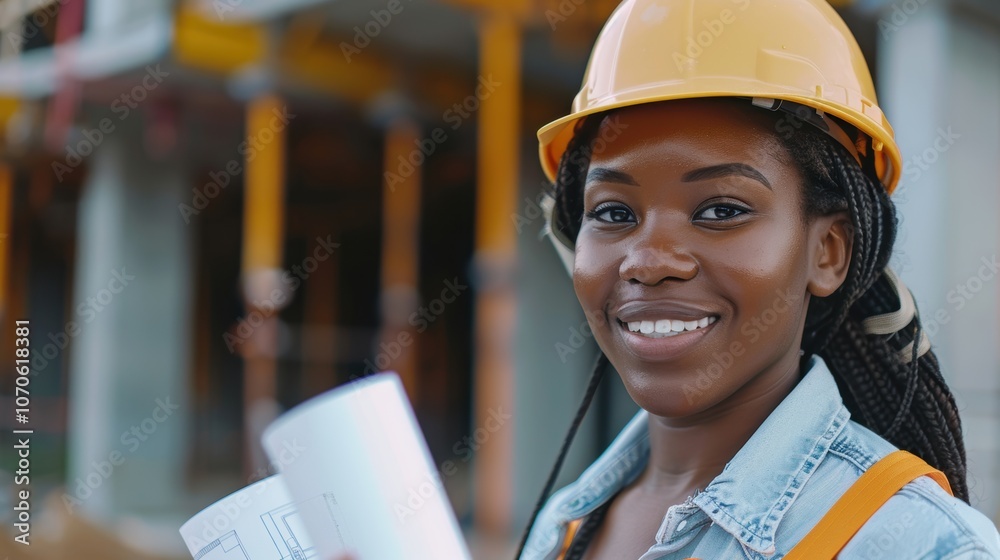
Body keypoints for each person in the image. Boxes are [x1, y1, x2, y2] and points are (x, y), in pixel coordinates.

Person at [516, 0, 1000, 558]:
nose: (647, 262)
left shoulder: (918, 544)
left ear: (828, 252)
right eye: (613, 213)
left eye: (721, 210)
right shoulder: (561, 527)